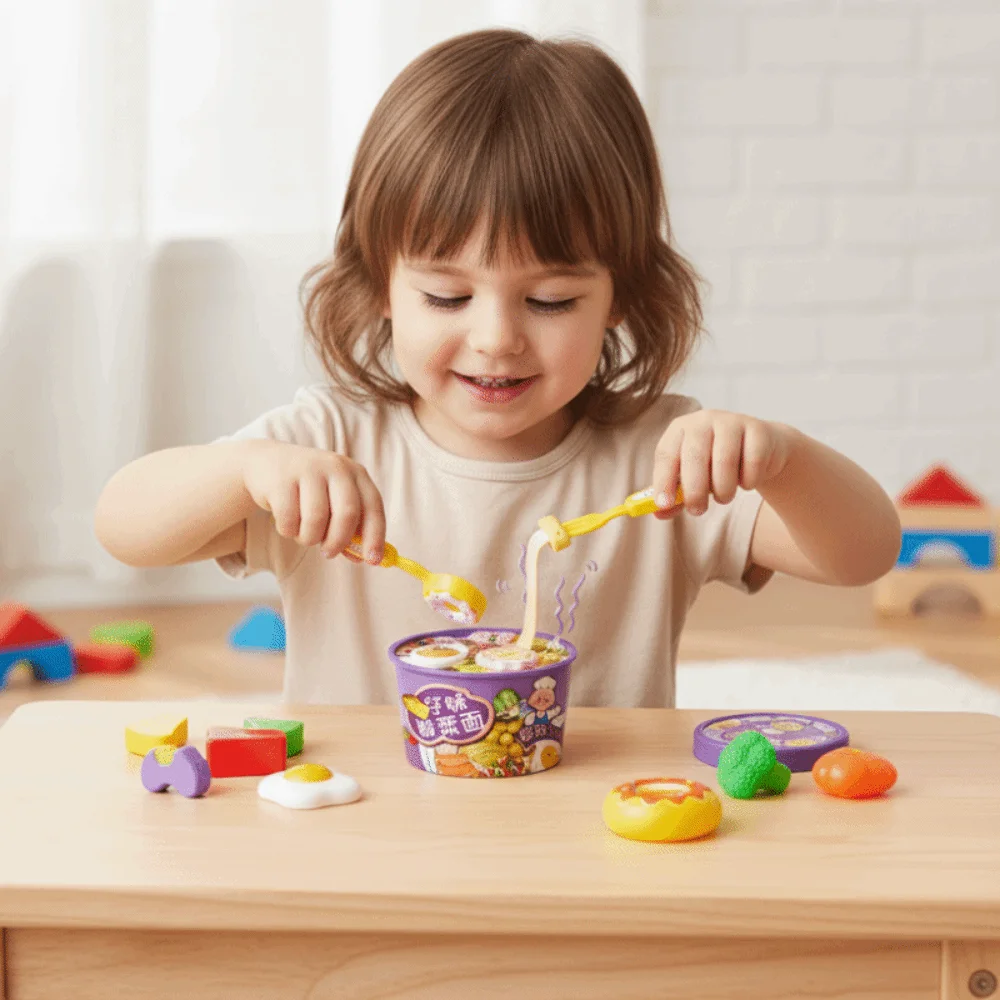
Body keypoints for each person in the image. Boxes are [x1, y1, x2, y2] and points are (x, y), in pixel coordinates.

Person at [94, 29, 901, 708]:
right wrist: (245, 469)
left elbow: (862, 553)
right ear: (382, 285)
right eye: (447, 296)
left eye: (550, 301)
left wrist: (785, 459)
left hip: (594, 837)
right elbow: (124, 527)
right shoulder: (327, 444)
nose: (496, 339)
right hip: (356, 831)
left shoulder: (662, 459)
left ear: (619, 296)